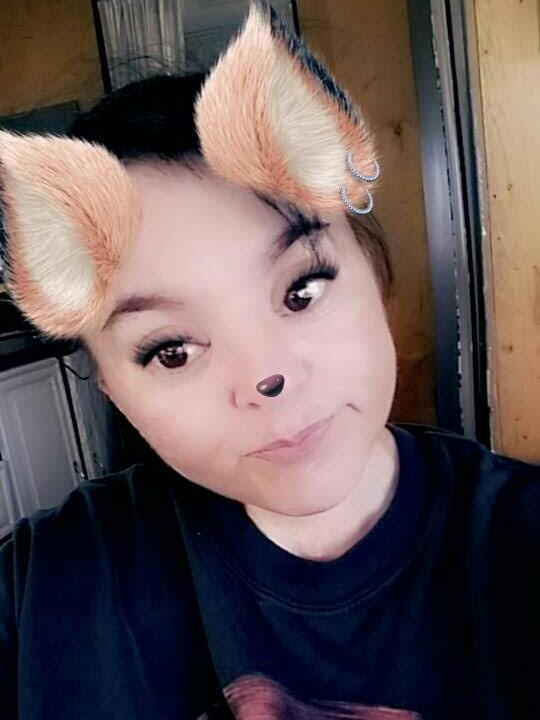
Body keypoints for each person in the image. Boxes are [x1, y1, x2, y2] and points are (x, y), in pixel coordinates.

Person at [0, 2, 538, 718]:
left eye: (301, 290)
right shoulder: (42, 587)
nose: (265, 378)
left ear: (371, 273)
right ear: (113, 388)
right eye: (172, 350)